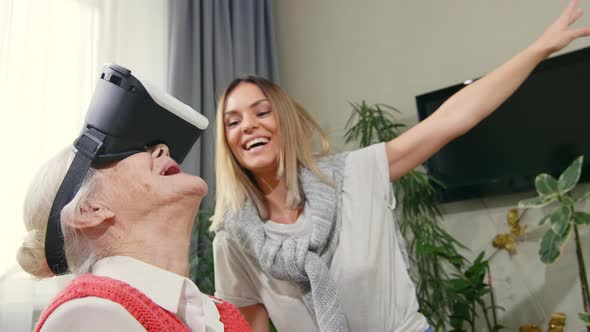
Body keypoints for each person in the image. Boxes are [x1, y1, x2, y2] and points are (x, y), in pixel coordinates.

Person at [209, 1, 590, 331]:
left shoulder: (354, 175)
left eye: (262, 112)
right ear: (227, 142)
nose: (248, 126)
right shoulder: (233, 238)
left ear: (286, 122)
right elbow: (248, 326)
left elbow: (452, 118)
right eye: (233, 121)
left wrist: (539, 49)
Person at [18, 143, 250, 331]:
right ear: (90, 210)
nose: (163, 149)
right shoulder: (90, 316)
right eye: (126, 150)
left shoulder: (221, 313)